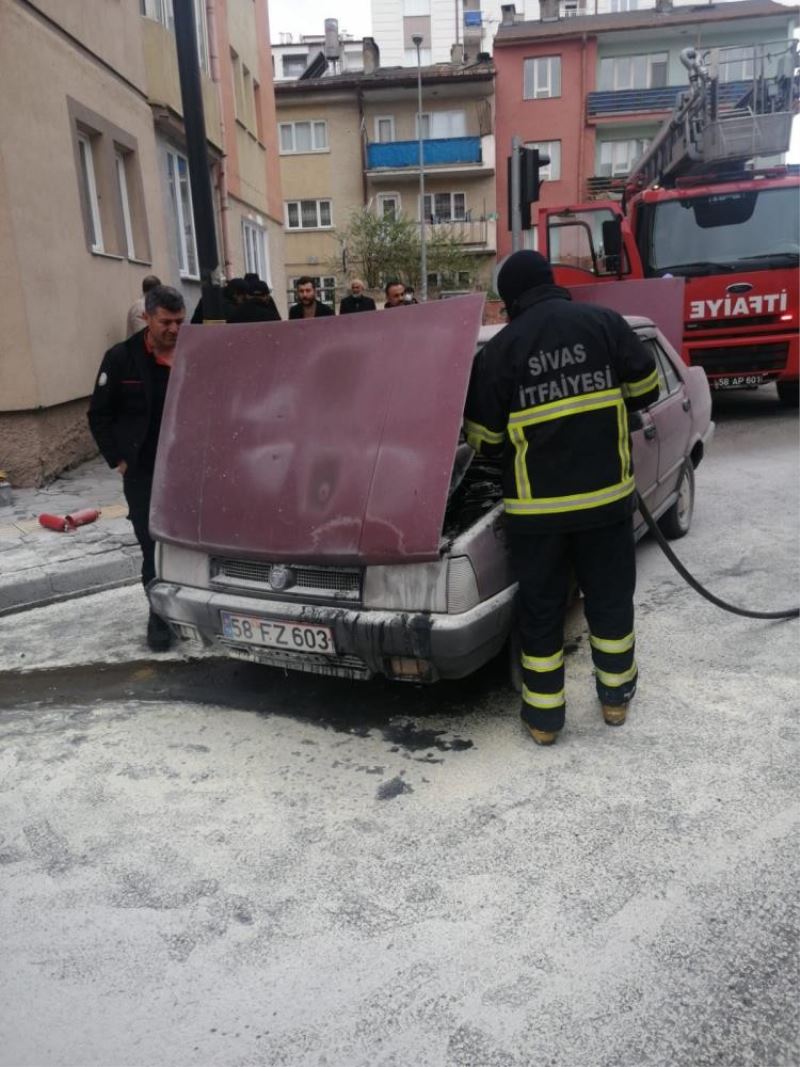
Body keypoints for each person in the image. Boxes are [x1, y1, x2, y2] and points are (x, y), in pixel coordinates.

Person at [463, 250, 659, 746]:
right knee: (610, 602)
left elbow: (483, 438)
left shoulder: (501, 351)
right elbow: (647, 387)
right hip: (605, 503)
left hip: (538, 514)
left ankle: (545, 721)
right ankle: (615, 701)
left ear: (509, 302)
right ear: (552, 283)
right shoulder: (604, 324)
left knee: (543, 612)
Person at [88, 285, 187, 652]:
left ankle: (194, 609)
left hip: (189, 467)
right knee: (152, 546)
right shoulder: (121, 358)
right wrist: (118, 458)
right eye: (166, 322)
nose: (174, 330)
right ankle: (159, 617)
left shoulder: (195, 353)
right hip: (144, 469)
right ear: (147, 317)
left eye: (180, 321)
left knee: (192, 544)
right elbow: (98, 414)